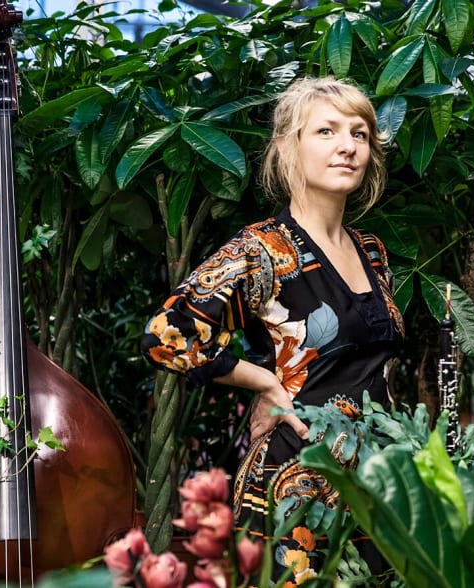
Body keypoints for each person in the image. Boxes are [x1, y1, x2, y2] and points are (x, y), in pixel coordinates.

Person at [140, 76, 404, 584]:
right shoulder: (263, 250)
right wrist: (264, 382)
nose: (348, 146)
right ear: (287, 147)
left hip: (377, 486)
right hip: (295, 485)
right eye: (326, 131)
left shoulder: (372, 251)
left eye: (359, 133)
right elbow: (167, 333)